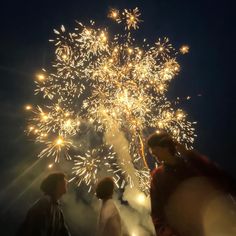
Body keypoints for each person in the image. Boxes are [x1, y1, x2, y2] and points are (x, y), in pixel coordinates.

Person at [147, 131, 236, 236]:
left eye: (154, 148)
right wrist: (166, 233)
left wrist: (191, 155)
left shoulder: (192, 166)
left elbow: (220, 178)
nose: (152, 152)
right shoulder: (157, 177)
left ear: (166, 146)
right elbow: (157, 212)